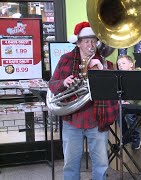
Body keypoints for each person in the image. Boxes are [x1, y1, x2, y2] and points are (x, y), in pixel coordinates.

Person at [48, 21, 119, 180]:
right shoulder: (66, 60)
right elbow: (52, 84)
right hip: (72, 120)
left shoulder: (105, 63)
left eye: (93, 41)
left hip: (97, 119)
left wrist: (102, 70)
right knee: (71, 164)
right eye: (86, 41)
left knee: (100, 164)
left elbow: (114, 90)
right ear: (78, 43)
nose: (91, 45)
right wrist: (63, 83)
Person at [116, 54, 141, 150]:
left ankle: (136, 138)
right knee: (118, 112)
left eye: (123, 63)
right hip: (128, 104)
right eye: (119, 64)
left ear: (131, 64)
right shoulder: (120, 77)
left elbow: (138, 91)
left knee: (129, 114)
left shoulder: (138, 73)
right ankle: (126, 136)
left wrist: (128, 102)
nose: (120, 65)